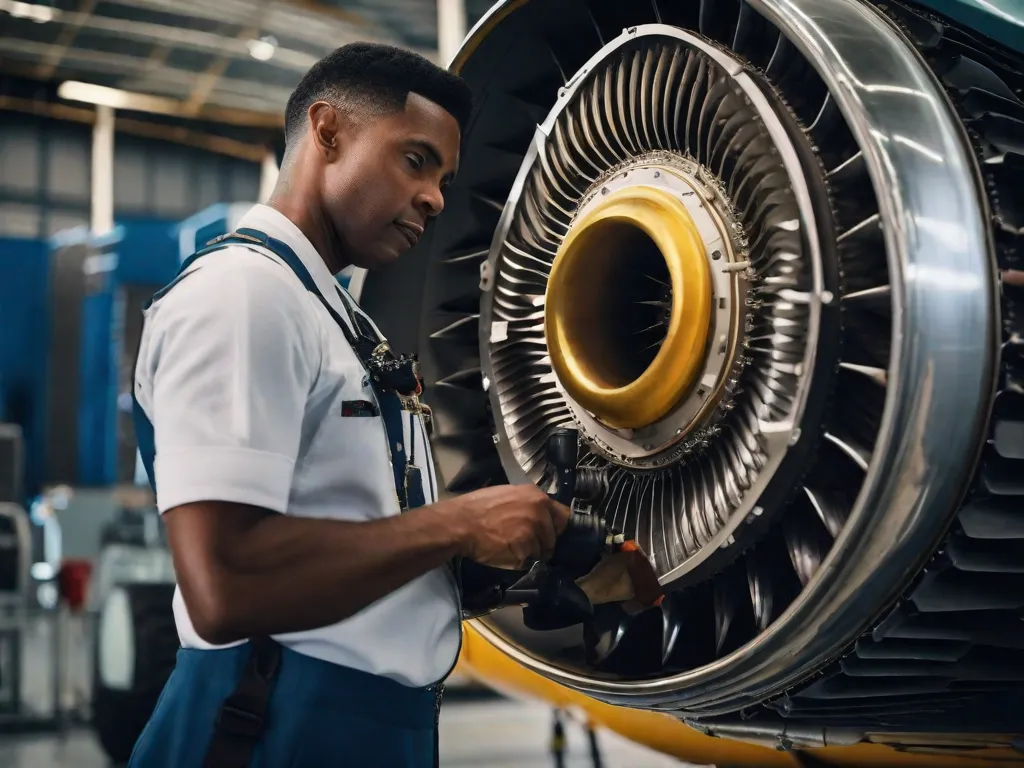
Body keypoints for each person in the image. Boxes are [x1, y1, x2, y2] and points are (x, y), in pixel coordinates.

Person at [127, 42, 571, 768]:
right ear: (328, 133)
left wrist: (499, 560)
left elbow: (352, 538)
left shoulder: (337, 318)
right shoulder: (244, 295)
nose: (434, 197)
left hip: (372, 724)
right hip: (273, 721)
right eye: (416, 160)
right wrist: (455, 523)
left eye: (445, 179)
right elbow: (226, 581)